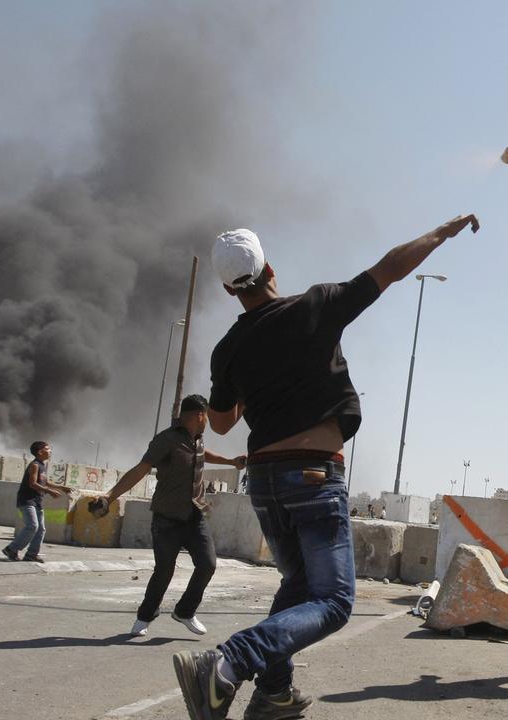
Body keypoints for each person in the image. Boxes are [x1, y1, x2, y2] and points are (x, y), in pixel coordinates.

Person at [170, 215, 478, 720]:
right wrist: (440, 234)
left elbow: (222, 424)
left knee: (297, 590)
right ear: (269, 267)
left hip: (266, 483)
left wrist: (254, 379)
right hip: (311, 476)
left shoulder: (227, 349)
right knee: (334, 602)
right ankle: (228, 662)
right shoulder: (314, 305)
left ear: (229, 289)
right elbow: (390, 269)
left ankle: (273, 692)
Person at [100, 394, 246, 637]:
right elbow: (140, 469)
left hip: (195, 516)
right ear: (200, 415)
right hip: (167, 518)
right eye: (207, 416)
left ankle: (185, 611)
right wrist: (110, 496)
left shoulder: (196, 439)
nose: (208, 421)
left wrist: (231, 462)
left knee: (207, 564)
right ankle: (145, 616)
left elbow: (203, 454)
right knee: (164, 570)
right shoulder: (166, 440)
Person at [1, 441, 70, 563]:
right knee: (32, 526)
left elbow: (45, 482)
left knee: (41, 529)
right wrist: (49, 491)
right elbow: (32, 484)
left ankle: (32, 554)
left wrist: (61, 488)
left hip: (37, 501)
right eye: (47, 449)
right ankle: (11, 549)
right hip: (27, 500)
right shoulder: (35, 465)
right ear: (40, 452)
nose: (50, 451)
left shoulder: (42, 466)